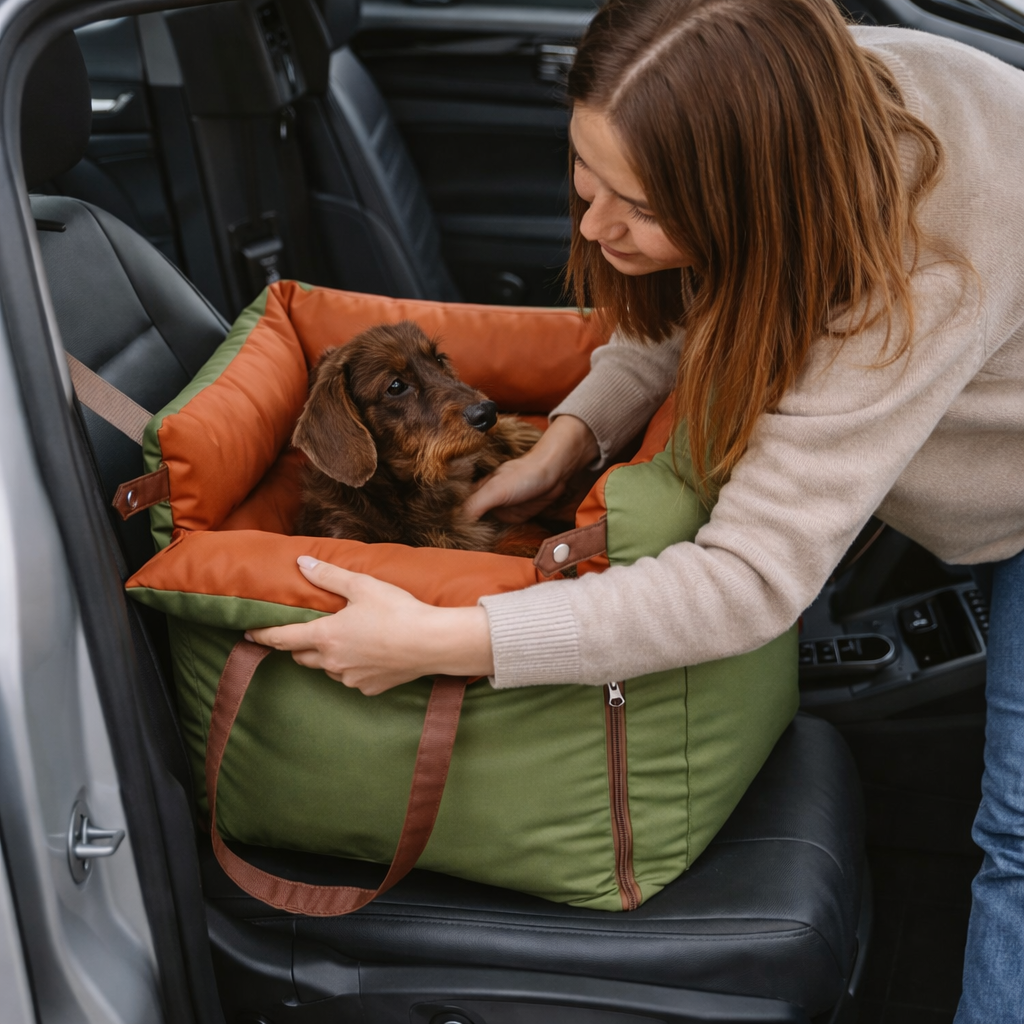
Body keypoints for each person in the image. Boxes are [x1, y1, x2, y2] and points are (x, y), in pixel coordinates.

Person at [248, 0, 1024, 1018]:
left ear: (757, 200)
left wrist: (445, 638)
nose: (595, 224)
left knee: (1017, 832)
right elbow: (710, 293)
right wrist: (575, 433)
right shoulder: (778, 100)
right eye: (584, 170)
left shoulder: (906, 267)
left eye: (641, 207)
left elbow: (745, 581)